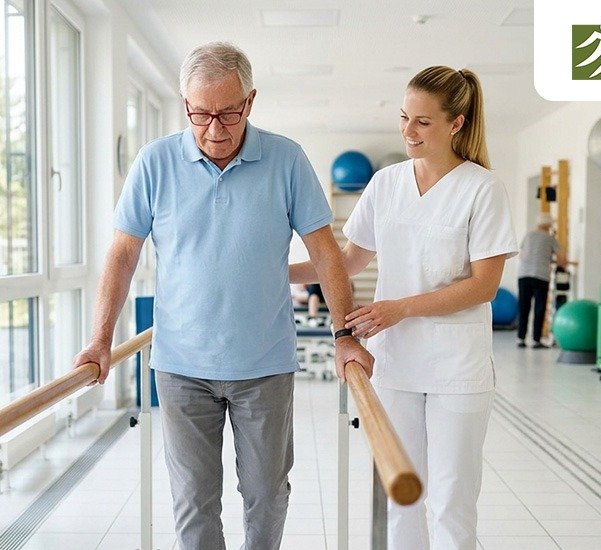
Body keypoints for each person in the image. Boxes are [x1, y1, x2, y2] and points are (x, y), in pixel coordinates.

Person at [71, 42, 373, 550]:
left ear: (250, 102)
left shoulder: (286, 159)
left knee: (266, 496)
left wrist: (344, 335)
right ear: (185, 103)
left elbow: (325, 252)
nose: (214, 129)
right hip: (182, 366)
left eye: (228, 113)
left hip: (265, 366)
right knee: (194, 502)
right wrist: (101, 340)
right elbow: (123, 255)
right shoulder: (155, 163)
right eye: (201, 114)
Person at [290, 66, 517, 549]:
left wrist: (399, 309)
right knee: (401, 499)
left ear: (456, 124)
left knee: (452, 500)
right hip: (397, 367)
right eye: (403, 118)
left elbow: (484, 286)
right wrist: (279, 273)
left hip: (458, 369)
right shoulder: (386, 183)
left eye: (422, 122)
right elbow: (347, 261)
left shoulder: (482, 188)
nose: (408, 132)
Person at [517, 212, 568, 348]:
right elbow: (562, 259)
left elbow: (521, 255)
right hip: (540, 276)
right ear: (550, 225)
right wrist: (553, 261)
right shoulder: (550, 238)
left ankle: (521, 338)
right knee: (539, 308)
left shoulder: (528, 235)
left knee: (524, 306)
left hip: (524, 274)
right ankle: (536, 340)